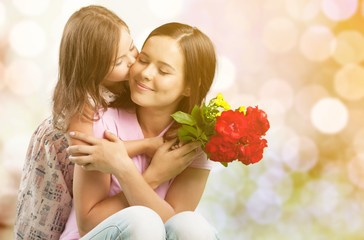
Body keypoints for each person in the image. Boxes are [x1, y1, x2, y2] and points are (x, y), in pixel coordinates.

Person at [14, 6, 198, 240]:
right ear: (95, 69)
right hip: (55, 181)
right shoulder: (82, 106)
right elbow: (97, 152)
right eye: (121, 60)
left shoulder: (128, 89)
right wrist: (146, 147)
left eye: (133, 48)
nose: (133, 62)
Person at [63, 22, 220, 239]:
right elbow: (88, 224)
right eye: (143, 60)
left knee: (192, 226)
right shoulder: (99, 121)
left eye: (163, 71)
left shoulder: (195, 141)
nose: (145, 73)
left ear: (190, 86)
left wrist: (125, 170)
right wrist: (152, 176)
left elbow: (173, 227)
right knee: (143, 221)